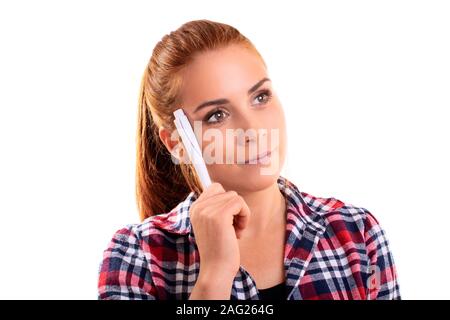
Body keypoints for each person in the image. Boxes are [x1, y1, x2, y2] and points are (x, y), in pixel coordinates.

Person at [97, 19, 400, 300]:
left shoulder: (357, 233)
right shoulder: (136, 257)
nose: (253, 130)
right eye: (217, 115)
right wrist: (214, 275)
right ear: (177, 142)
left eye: (260, 97)